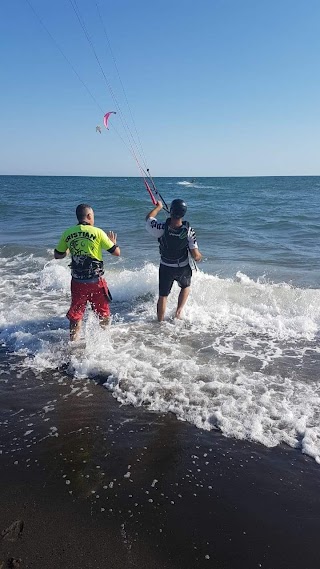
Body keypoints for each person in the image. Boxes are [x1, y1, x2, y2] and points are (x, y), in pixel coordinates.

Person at [54, 203, 120, 341]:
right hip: (96, 281)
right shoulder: (98, 232)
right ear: (89, 216)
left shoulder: (68, 233)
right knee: (103, 314)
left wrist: (67, 249)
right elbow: (116, 253)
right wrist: (113, 242)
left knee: (76, 314)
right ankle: (103, 340)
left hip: (78, 282)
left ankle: (73, 342)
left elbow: (57, 255)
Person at [145, 199, 202, 321]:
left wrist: (159, 207)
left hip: (166, 266)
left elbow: (149, 218)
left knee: (163, 295)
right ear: (183, 214)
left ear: (170, 212)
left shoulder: (160, 228)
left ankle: (160, 322)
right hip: (182, 267)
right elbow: (196, 256)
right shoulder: (189, 232)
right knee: (185, 286)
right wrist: (198, 256)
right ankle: (178, 312)